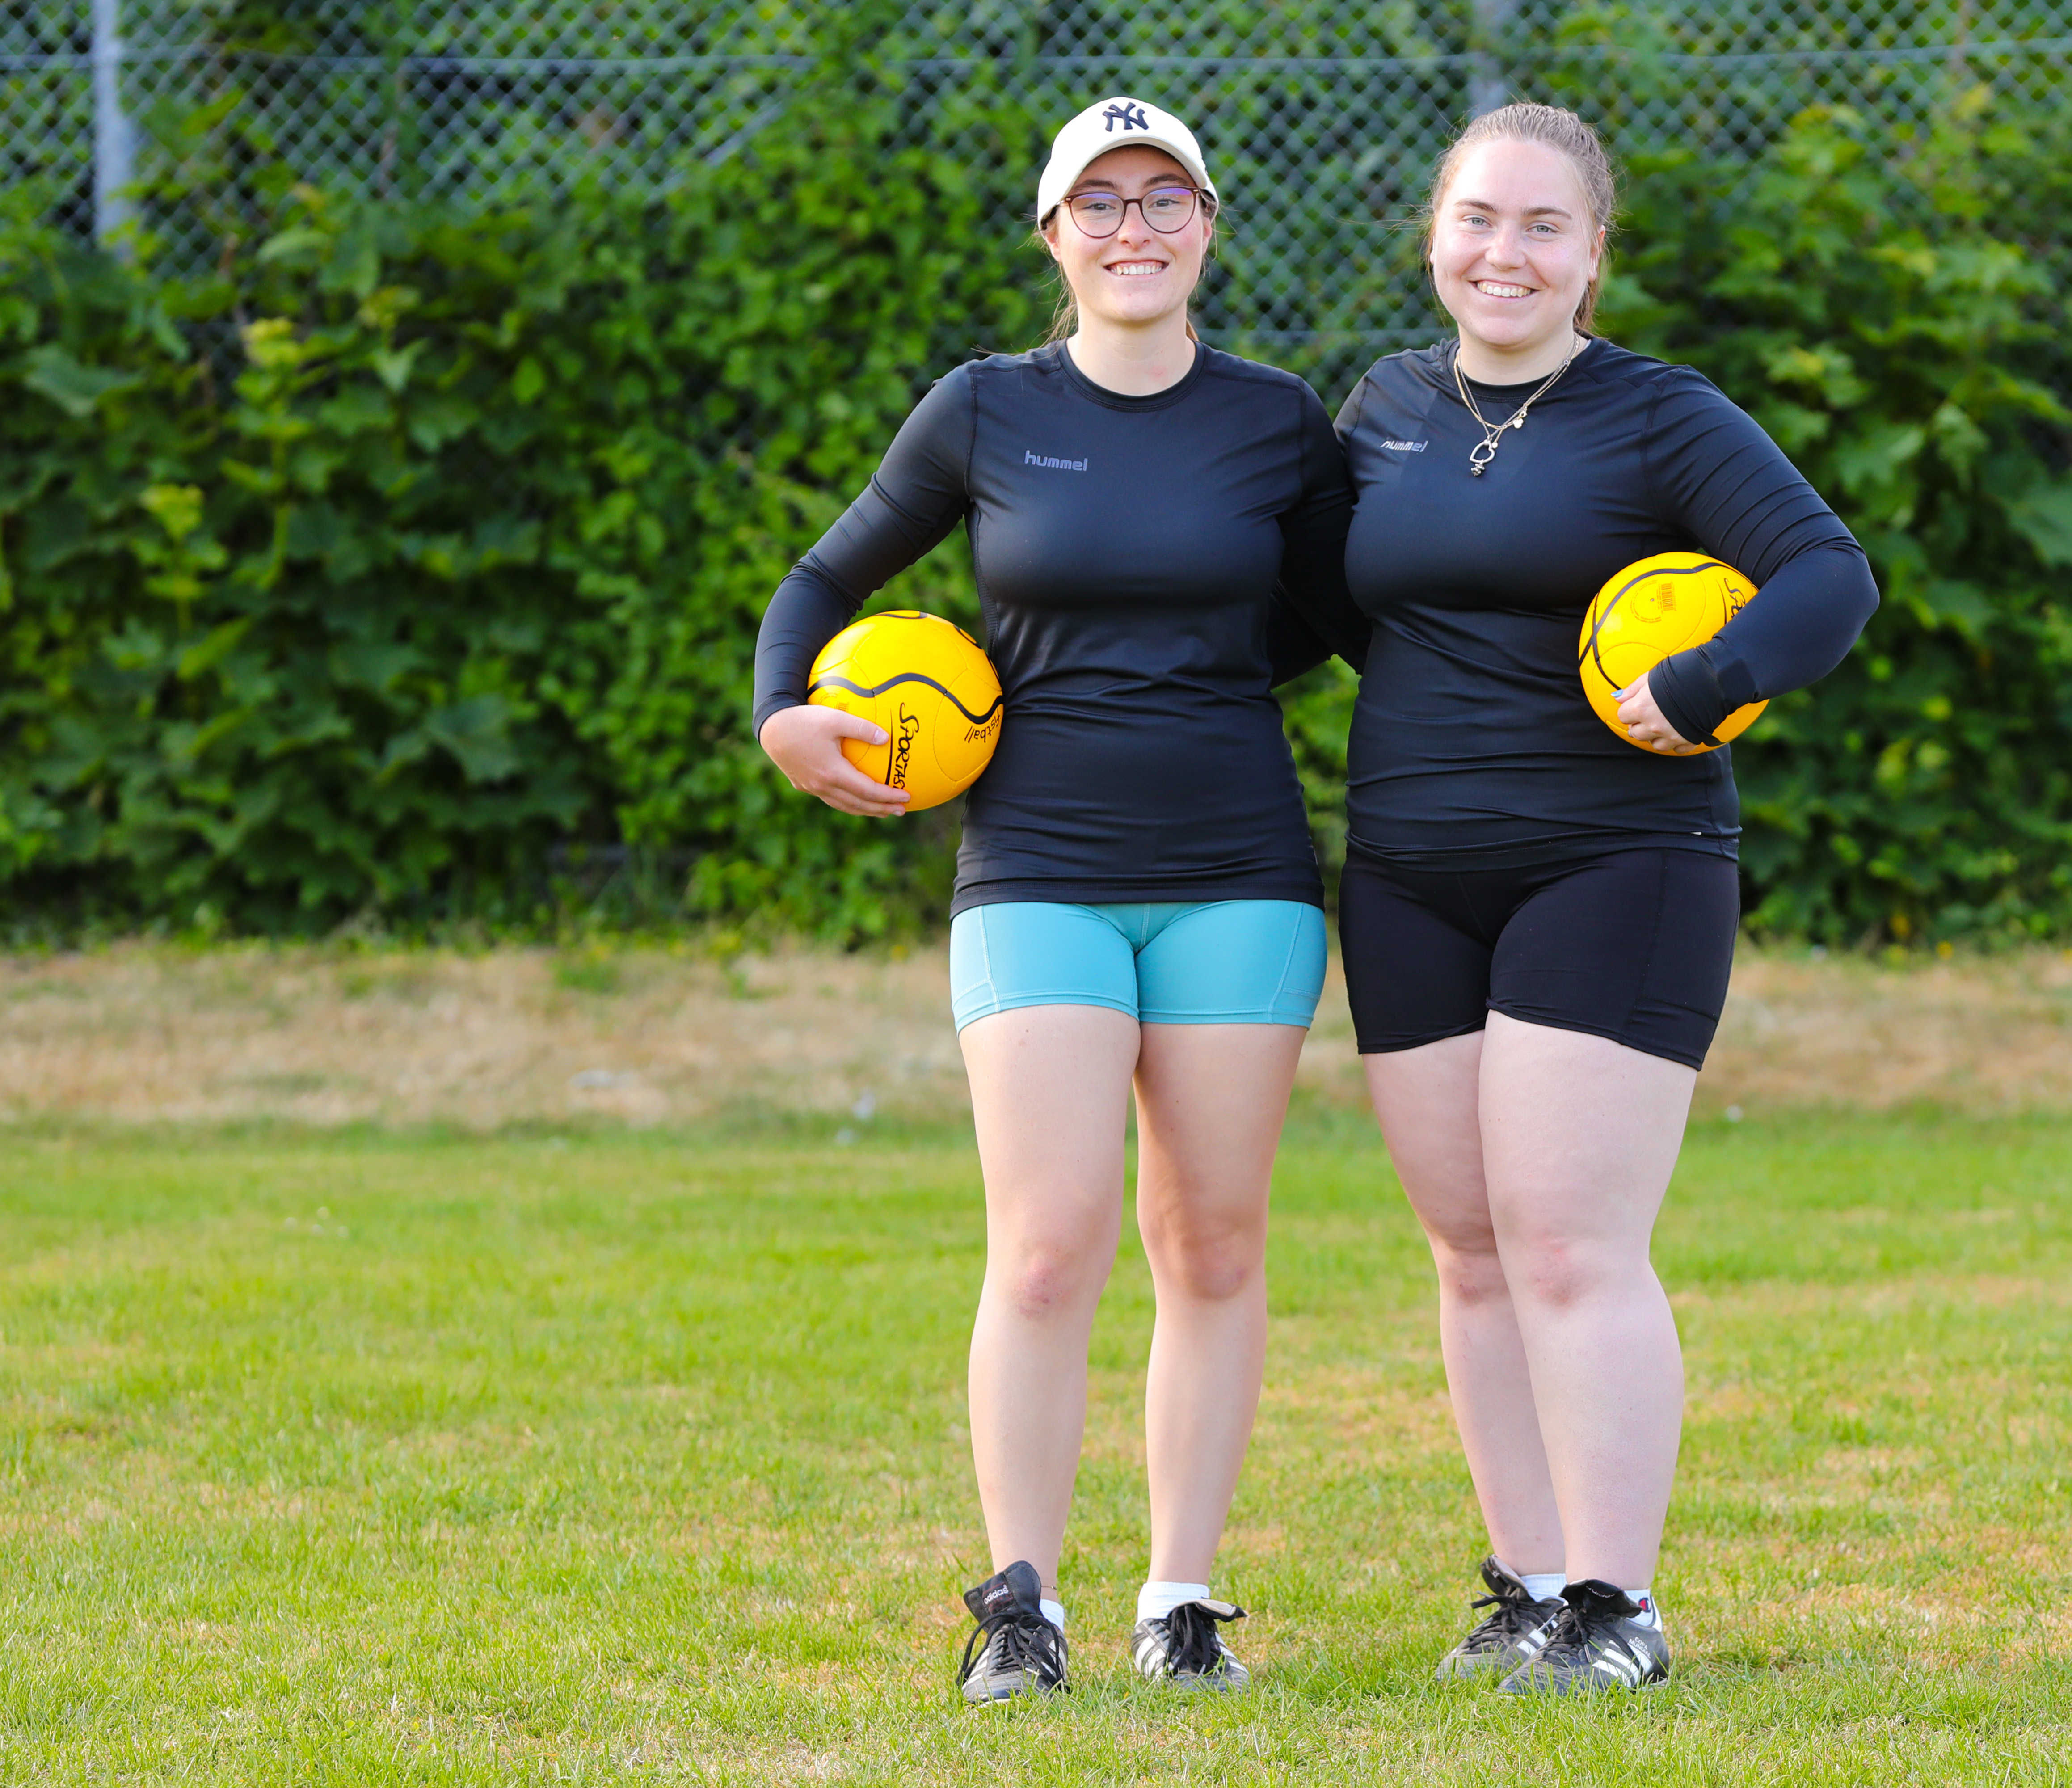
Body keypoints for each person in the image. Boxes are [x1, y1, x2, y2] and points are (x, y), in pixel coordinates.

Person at [750, 96, 1362, 1702]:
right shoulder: (984, 410)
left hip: (1239, 870)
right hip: (1037, 873)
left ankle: (1182, 1600)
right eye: (1100, 203)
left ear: (1210, 226)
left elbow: (1345, 612)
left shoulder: (1279, 421)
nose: (1134, 227)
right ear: (1053, 235)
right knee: (1046, 1245)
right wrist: (782, 711)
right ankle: (1020, 1607)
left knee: (1213, 1243)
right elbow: (824, 584)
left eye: (1166, 198)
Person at [1331, 102, 1878, 1693]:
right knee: (1471, 1248)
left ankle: (1617, 1611)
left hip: (1616, 861)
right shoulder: (1382, 408)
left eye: (1543, 227)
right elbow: (1309, 606)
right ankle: (1527, 1586)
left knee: (1571, 1244)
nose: (1506, 253)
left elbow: (1828, 577)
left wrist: (1706, 686)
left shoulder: (1660, 414)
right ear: (1437, 235)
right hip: (1409, 868)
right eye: (1479, 221)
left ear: (1593, 257)